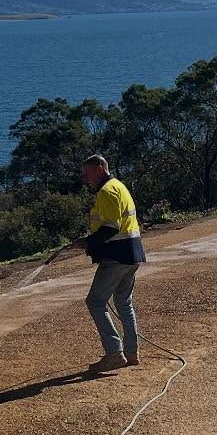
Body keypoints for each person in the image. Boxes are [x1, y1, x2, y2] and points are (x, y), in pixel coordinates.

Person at [80, 154, 145, 373]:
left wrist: (87, 242)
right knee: (124, 303)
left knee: (95, 302)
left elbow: (111, 228)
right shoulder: (118, 186)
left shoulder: (106, 192)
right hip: (133, 253)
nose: (85, 178)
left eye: (87, 173)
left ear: (100, 168)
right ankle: (131, 352)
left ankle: (115, 353)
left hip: (117, 255)